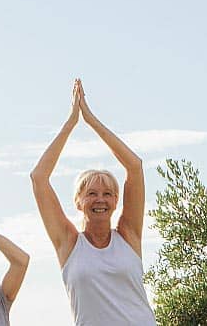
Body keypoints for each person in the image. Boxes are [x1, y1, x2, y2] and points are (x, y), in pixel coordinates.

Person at [30, 80, 157, 325]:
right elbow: (39, 178)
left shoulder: (128, 236)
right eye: (91, 193)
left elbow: (135, 167)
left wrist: (91, 120)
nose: (100, 199)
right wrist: (71, 123)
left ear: (116, 201)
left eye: (107, 194)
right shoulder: (68, 243)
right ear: (78, 202)